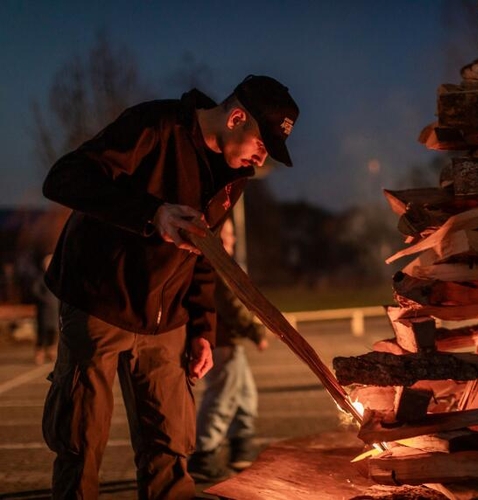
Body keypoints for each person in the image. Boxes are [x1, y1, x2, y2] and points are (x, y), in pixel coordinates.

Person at [40, 75, 299, 499]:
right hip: (100, 303)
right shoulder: (155, 126)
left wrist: (202, 329)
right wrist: (151, 214)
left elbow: (204, 253)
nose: (260, 158)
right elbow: (64, 178)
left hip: (167, 322)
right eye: (261, 145)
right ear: (236, 118)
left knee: (171, 449)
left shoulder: (233, 176)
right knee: (80, 442)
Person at [188, 217, 268, 481]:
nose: (232, 239)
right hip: (221, 341)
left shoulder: (221, 265)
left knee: (245, 395)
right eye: (228, 234)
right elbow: (231, 305)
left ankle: (241, 448)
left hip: (228, 340)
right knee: (222, 397)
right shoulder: (217, 265)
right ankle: (204, 455)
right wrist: (255, 331)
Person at [31, 253, 59, 365]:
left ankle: (51, 351)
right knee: (42, 332)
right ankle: (40, 353)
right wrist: (45, 300)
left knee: (53, 332)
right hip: (44, 311)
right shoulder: (40, 278)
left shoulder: (56, 278)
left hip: (54, 310)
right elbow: (35, 291)